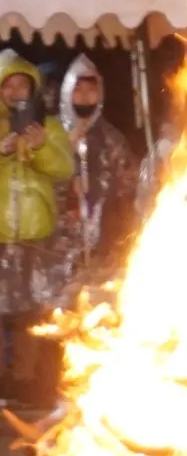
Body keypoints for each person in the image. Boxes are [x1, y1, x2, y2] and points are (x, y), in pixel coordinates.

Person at [0, 50, 75, 407]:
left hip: (36, 235)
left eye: (21, 84)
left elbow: (64, 169)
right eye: (8, 85)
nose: (16, 92)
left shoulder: (51, 126)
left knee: (31, 310)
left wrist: (41, 147)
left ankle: (24, 382)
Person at [58, 54, 141, 284]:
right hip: (59, 247)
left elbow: (129, 185)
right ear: (67, 92)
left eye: (91, 89)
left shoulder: (111, 138)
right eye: (78, 89)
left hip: (103, 239)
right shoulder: (52, 135)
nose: (84, 95)